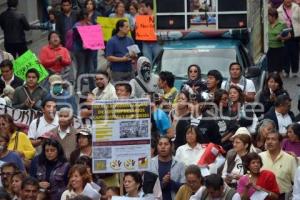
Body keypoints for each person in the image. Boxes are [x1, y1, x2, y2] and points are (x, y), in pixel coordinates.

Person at [259, 131, 297, 199]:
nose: (270, 142)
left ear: (280, 142)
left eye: (273, 139)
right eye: (268, 139)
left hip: (283, 196)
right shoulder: (259, 157)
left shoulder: (290, 159)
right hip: (263, 196)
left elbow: (296, 181)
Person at [277, 0, 300, 77]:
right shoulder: (279, 10)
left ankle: (294, 71)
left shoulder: (297, 8)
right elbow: (278, 23)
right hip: (285, 33)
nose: (288, 1)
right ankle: (286, 71)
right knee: (285, 53)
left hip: (295, 33)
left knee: (295, 53)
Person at [267, 7, 290, 74]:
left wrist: (281, 38)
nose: (268, 18)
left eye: (269, 16)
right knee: (270, 69)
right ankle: (270, 83)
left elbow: (289, 36)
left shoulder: (282, 24)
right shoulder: (266, 25)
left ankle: (279, 83)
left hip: (279, 49)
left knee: (278, 70)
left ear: (274, 17)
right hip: (269, 49)